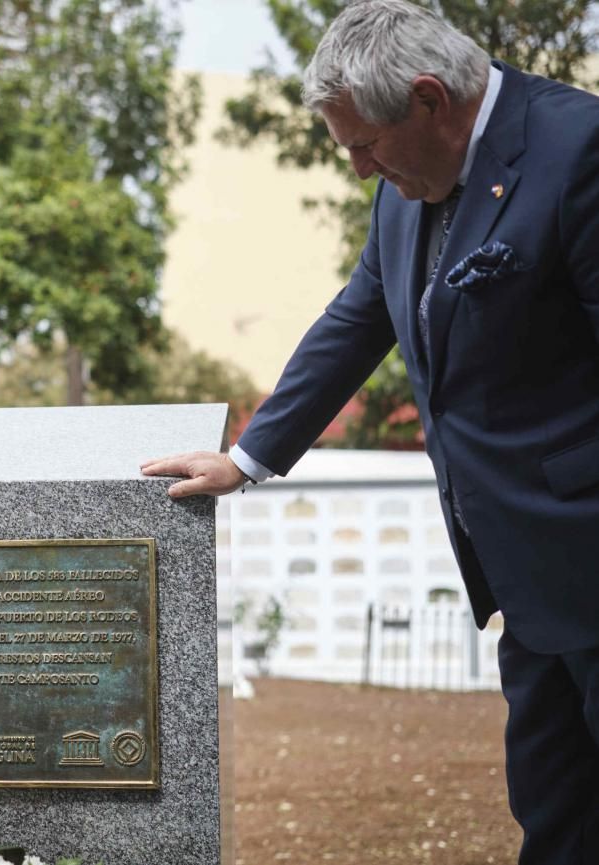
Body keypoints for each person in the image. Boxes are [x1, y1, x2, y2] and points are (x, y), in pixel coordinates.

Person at [141, 2, 599, 861]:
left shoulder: (579, 149)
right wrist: (246, 456)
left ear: (431, 99)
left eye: (364, 145)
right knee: (555, 816)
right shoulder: (408, 188)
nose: (357, 170)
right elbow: (357, 321)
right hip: (529, 583)